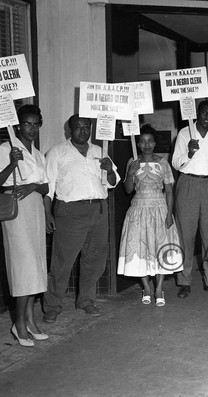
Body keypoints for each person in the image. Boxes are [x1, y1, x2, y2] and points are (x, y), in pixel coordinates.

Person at [42, 114, 120, 323]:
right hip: (70, 211)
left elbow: (112, 183)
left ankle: (86, 300)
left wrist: (109, 170)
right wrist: (47, 213)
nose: (83, 131)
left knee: (94, 260)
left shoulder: (100, 151)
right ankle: (52, 305)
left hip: (98, 210)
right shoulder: (57, 152)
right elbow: (48, 187)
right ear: (70, 130)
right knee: (62, 261)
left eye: (86, 127)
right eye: (78, 127)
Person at [0, 105, 49, 346]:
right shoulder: (5, 148)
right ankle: (18, 324)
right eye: (27, 124)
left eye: (36, 124)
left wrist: (33, 186)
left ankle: (30, 320)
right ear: (18, 125)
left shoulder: (38, 153)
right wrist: (11, 164)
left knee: (36, 267)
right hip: (17, 213)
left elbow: (46, 186)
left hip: (36, 210)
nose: (32, 129)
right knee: (23, 267)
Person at [117, 124, 182, 306]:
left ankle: (159, 287)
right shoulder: (133, 161)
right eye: (143, 141)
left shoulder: (163, 163)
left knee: (160, 246)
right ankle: (146, 287)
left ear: (155, 143)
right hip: (138, 209)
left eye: (150, 141)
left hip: (159, 208)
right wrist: (130, 173)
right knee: (140, 248)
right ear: (138, 143)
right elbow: (128, 189)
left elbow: (169, 191)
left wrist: (169, 214)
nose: (147, 144)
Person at [172, 100, 208, 298]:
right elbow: (176, 163)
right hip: (187, 183)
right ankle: (184, 281)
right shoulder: (184, 133)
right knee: (185, 236)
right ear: (197, 113)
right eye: (204, 113)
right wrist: (188, 153)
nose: (207, 116)